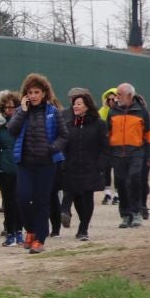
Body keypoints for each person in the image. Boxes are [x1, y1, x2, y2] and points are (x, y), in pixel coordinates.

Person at [10, 74, 66, 252]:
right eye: (30, 92)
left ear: (44, 93)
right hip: (24, 163)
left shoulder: (52, 112)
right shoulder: (21, 111)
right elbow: (12, 130)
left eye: (37, 92)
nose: (33, 95)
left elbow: (64, 136)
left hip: (45, 164)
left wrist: (52, 148)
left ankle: (40, 239)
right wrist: (23, 111)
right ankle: (31, 230)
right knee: (23, 199)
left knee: (42, 201)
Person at [60, 89, 108, 241]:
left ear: (87, 106)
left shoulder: (99, 125)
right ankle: (77, 218)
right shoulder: (68, 125)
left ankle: (83, 229)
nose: (75, 106)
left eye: (79, 104)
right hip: (72, 167)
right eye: (74, 104)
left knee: (87, 197)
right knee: (76, 198)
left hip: (90, 167)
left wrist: (100, 165)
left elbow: (104, 147)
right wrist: (64, 162)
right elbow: (64, 146)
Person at [106, 82, 150, 229]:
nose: (116, 97)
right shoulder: (112, 111)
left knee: (134, 178)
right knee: (120, 183)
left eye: (119, 94)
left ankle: (137, 212)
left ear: (129, 95)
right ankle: (126, 215)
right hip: (117, 153)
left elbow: (149, 135)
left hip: (136, 152)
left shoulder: (142, 111)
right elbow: (108, 133)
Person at [0, 91, 23, 247]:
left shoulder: (23, 124)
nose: (10, 110)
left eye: (13, 107)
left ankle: (19, 232)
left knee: (20, 202)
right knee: (8, 203)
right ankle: (10, 233)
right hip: (5, 171)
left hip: (21, 169)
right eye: (7, 107)